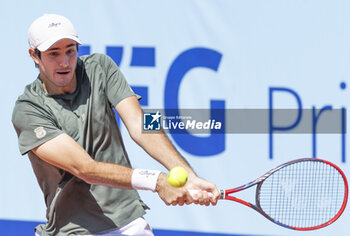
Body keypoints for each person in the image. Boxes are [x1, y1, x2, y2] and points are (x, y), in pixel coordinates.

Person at [12, 14, 220, 236]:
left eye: (70, 50)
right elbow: (84, 168)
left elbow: (142, 123)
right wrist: (157, 181)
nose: (65, 62)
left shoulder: (101, 67)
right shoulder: (28, 110)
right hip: (72, 230)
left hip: (128, 222)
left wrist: (188, 176)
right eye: (54, 54)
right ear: (35, 55)